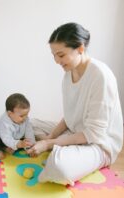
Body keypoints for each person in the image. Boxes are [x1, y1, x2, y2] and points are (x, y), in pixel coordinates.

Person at [27, 22, 123, 185]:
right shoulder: (68, 75)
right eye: (54, 55)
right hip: (75, 132)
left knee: (59, 167)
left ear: (80, 48)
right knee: (29, 123)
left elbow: (93, 134)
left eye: (61, 55)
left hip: (99, 144)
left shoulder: (101, 76)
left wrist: (48, 143)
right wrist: (50, 138)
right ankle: (62, 150)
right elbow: (70, 116)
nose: (57, 61)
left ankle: (62, 154)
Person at [0, 93, 36, 160]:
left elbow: (29, 133)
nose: (25, 118)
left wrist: (30, 147)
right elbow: (6, 138)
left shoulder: (25, 119)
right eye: (21, 116)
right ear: (10, 114)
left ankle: (7, 148)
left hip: (14, 139)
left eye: (26, 114)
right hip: (1, 138)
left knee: (25, 140)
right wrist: (19, 144)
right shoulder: (5, 122)